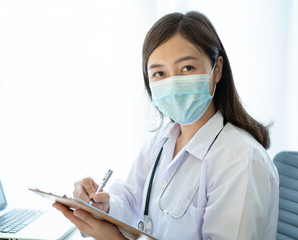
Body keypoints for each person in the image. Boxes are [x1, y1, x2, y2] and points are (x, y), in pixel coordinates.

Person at [53, 11, 279, 240]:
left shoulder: (240, 159)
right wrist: (100, 206)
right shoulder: (162, 140)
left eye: (187, 68)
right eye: (160, 73)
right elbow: (131, 200)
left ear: (217, 69)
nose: (172, 83)